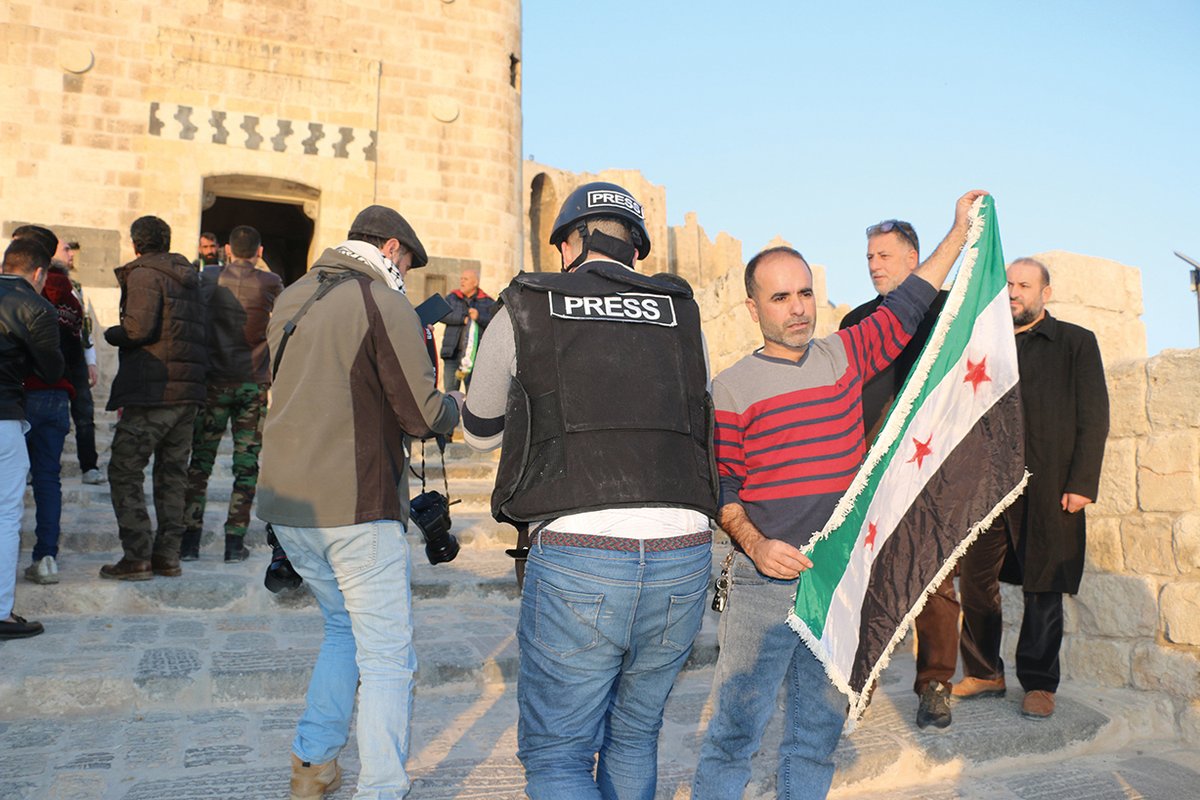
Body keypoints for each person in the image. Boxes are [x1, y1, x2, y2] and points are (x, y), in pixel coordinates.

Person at [692, 190, 986, 800]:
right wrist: (753, 543)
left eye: (805, 293)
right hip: (763, 583)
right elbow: (722, 488)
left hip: (837, 580)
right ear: (753, 309)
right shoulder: (730, 388)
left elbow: (909, 303)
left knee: (818, 733)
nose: (798, 309)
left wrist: (958, 232)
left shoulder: (845, 356)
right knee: (734, 731)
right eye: (780, 298)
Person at [463, 181, 718, 800]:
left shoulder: (525, 301)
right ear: (635, 246)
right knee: (633, 736)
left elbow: (477, 428)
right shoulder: (680, 310)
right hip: (684, 551)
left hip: (581, 549)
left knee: (558, 757)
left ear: (572, 241)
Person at [257, 205, 461, 799]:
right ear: (391, 248)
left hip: (288, 504)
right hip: (353, 499)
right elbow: (421, 412)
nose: (405, 275)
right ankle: (382, 789)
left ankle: (313, 764)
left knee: (342, 629)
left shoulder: (294, 293)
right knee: (389, 659)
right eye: (406, 263)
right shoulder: (380, 299)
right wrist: (459, 412)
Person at [954, 257, 1109, 720]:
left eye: (1024, 284)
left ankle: (1039, 684)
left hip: (1050, 486)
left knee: (1045, 585)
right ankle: (984, 671)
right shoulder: (986, 347)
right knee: (976, 581)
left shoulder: (1076, 343)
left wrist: (1082, 483)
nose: (1013, 291)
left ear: (1046, 292)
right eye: (1007, 284)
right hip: (989, 487)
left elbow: (1094, 415)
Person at [839, 218, 958, 730]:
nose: (873, 265)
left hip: (934, 467)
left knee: (934, 579)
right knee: (864, 577)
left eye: (883, 255)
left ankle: (935, 684)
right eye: (869, 257)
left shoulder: (954, 310)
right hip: (869, 468)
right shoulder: (857, 319)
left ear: (914, 259)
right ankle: (853, 682)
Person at [100, 216, 207, 581]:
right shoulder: (190, 277)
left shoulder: (144, 274)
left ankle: (137, 556)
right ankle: (168, 557)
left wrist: (110, 333)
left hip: (154, 391)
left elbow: (138, 329)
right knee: (172, 476)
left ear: (135, 243)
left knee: (124, 470)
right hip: (187, 392)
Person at [181, 225, 282, 562]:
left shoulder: (208, 277)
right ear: (260, 252)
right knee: (246, 465)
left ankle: (190, 540)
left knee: (200, 462)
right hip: (252, 381)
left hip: (213, 379)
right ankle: (234, 542)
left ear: (226, 250)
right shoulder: (269, 282)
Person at [0, 239, 63, 638]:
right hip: (4, 414)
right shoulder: (36, 306)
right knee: (6, 515)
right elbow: (52, 368)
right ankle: (2, 611)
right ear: (39, 273)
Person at [22, 258, 83, 585]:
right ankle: (46, 558)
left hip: (23, 395)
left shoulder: (23, 299)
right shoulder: (73, 305)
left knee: (10, 481)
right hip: (58, 396)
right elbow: (75, 354)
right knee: (48, 479)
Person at [65, 241, 103, 484]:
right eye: (65, 250)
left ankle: (89, 466)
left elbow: (84, 329)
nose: (71, 255)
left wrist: (91, 360)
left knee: (84, 416)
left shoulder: (75, 287)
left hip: (76, 361)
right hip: (51, 361)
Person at [438, 268, 495, 391]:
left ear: (475, 283)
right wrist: (462, 318)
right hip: (451, 354)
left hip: (475, 358)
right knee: (450, 393)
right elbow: (441, 314)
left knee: (473, 395)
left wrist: (479, 317)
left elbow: (494, 323)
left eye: (466, 279)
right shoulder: (452, 298)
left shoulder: (488, 302)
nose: (462, 282)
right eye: (461, 279)